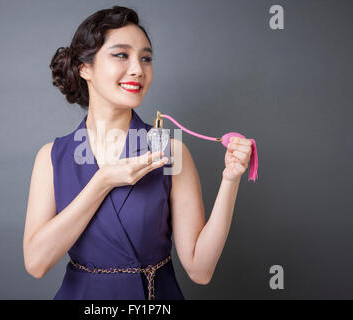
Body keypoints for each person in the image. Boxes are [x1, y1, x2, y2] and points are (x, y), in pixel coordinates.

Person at [23, 5, 253, 300]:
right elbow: (36, 263)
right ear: (85, 68)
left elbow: (200, 269)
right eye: (121, 55)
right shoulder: (51, 157)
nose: (138, 69)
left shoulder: (171, 151)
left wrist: (230, 180)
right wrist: (103, 180)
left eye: (146, 58)